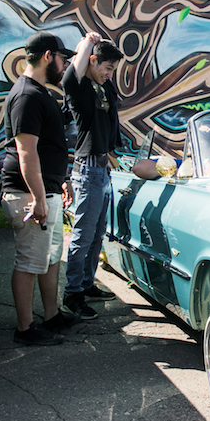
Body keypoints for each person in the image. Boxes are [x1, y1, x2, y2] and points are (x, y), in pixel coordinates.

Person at [0, 31, 77, 346]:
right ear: (49, 56)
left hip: (46, 189)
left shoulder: (39, 92)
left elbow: (46, 146)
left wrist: (61, 178)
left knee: (50, 256)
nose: (65, 64)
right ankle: (25, 328)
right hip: (29, 194)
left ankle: (51, 315)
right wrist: (37, 198)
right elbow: (26, 151)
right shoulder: (27, 95)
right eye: (63, 58)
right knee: (30, 260)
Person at [61, 34, 124, 318]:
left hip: (103, 170)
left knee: (97, 234)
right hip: (87, 171)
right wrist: (88, 41)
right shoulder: (81, 89)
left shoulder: (103, 88)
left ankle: (87, 283)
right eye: (106, 68)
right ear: (91, 61)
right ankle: (72, 294)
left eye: (112, 70)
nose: (109, 75)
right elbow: (70, 75)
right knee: (83, 236)